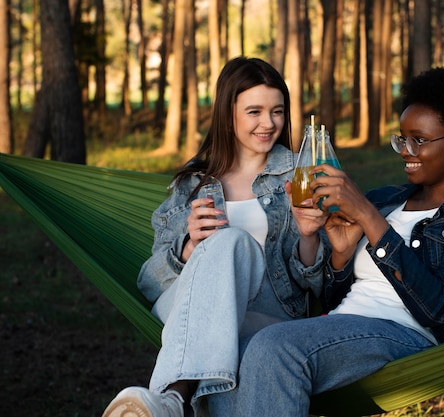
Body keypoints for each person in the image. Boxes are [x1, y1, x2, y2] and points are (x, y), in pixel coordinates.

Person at [205, 66, 444, 416]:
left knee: (274, 347)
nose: (406, 150)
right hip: (342, 325)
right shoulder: (387, 199)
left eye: (420, 140)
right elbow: (335, 298)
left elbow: (437, 306)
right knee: (232, 355)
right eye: (402, 138)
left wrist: (370, 218)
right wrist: (340, 253)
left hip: (409, 334)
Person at [101, 56, 328, 417]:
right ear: (228, 115)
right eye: (254, 111)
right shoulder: (192, 185)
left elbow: (321, 286)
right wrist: (189, 247)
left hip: (269, 315)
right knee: (225, 250)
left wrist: (309, 236)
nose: (268, 123)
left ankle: (173, 400)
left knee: (232, 242)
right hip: (190, 310)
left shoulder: (300, 176)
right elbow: (149, 281)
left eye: (277, 111)